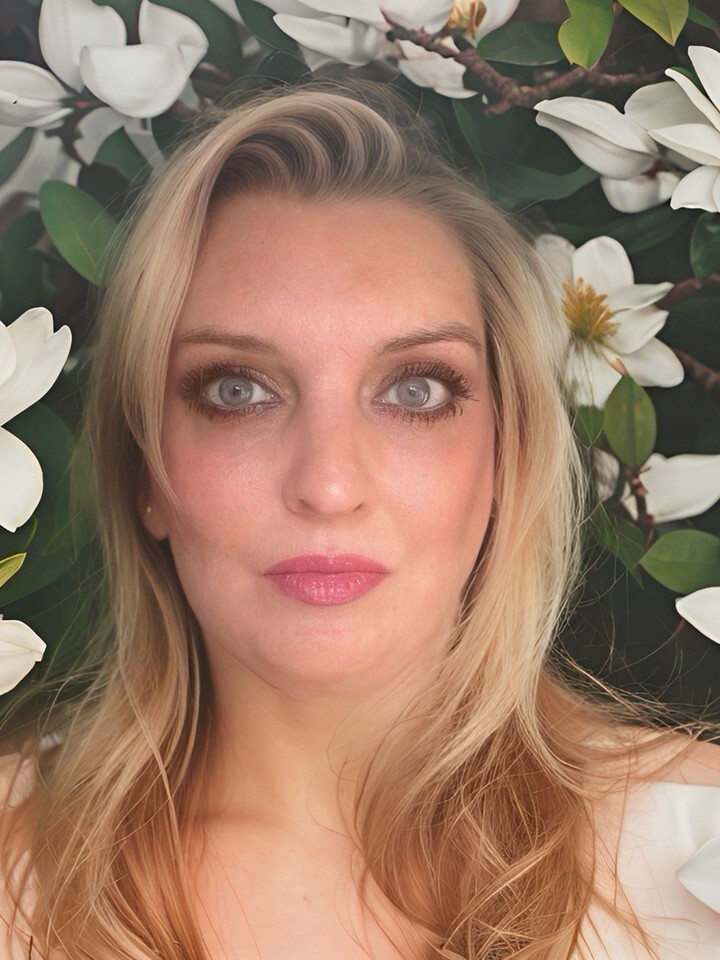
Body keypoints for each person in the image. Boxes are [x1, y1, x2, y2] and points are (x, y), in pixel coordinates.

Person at [0, 82, 718, 960]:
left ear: (508, 456)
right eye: (237, 390)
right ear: (143, 468)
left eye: (416, 391)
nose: (330, 485)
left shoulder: (699, 852)